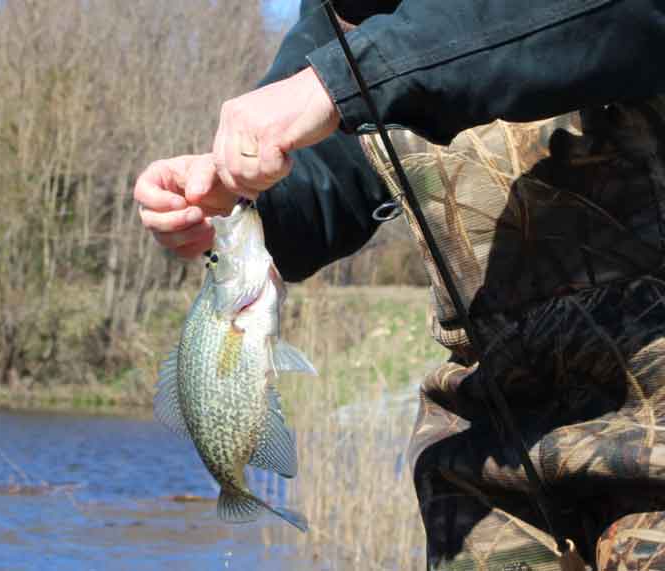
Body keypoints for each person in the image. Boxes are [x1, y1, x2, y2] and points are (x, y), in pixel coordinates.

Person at [134, 1, 665, 570]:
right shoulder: (344, 13)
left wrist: (333, 84)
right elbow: (327, 175)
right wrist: (238, 198)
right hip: (488, 451)